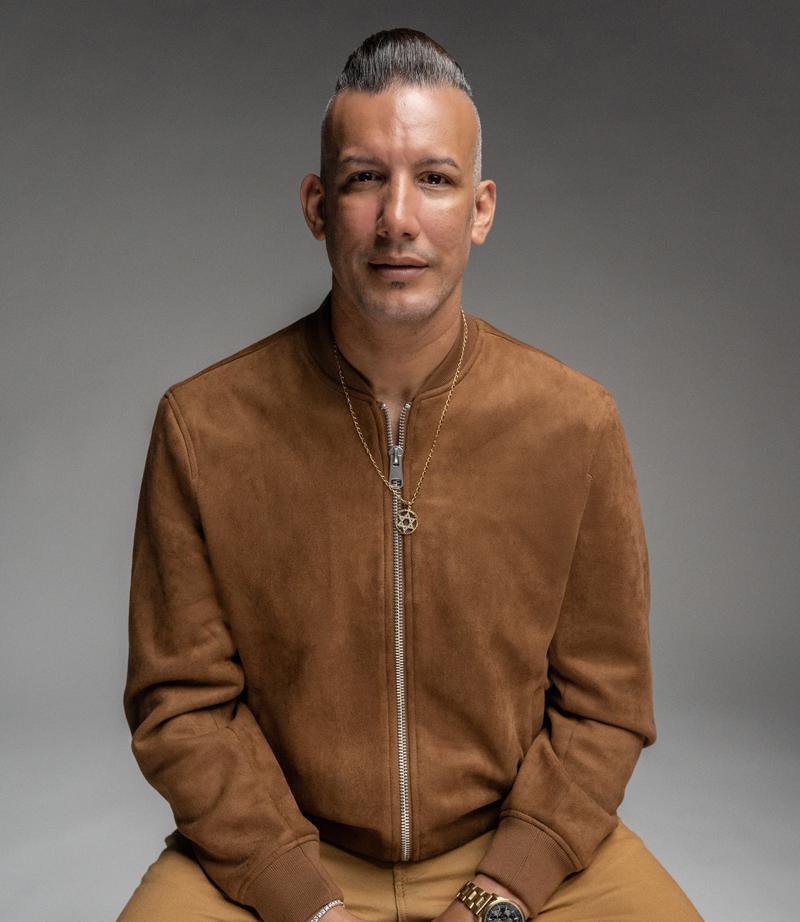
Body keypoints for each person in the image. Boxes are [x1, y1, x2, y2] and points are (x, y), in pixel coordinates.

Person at [119, 27, 703, 922]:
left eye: (434, 178)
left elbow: (606, 709)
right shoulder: (205, 427)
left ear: (481, 209)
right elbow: (182, 709)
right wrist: (305, 904)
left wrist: (496, 898)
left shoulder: (574, 424)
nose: (398, 218)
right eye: (365, 178)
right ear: (318, 206)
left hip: (517, 849)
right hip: (277, 852)